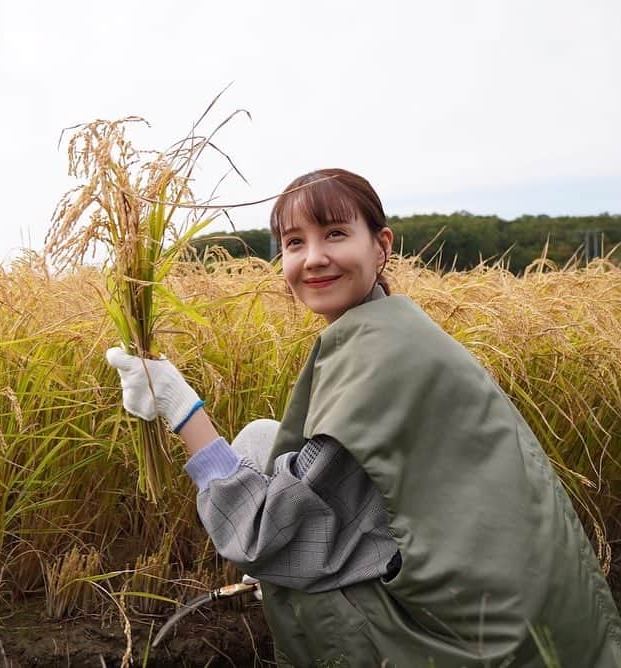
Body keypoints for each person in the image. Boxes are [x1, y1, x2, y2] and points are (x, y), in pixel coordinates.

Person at [105, 168, 621, 667]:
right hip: (527, 613)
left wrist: (183, 411)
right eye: (294, 242)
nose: (314, 258)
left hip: (479, 642)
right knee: (262, 441)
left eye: (334, 233)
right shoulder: (393, 326)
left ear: (381, 245)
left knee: (288, 568)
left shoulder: (380, 358)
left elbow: (265, 536)